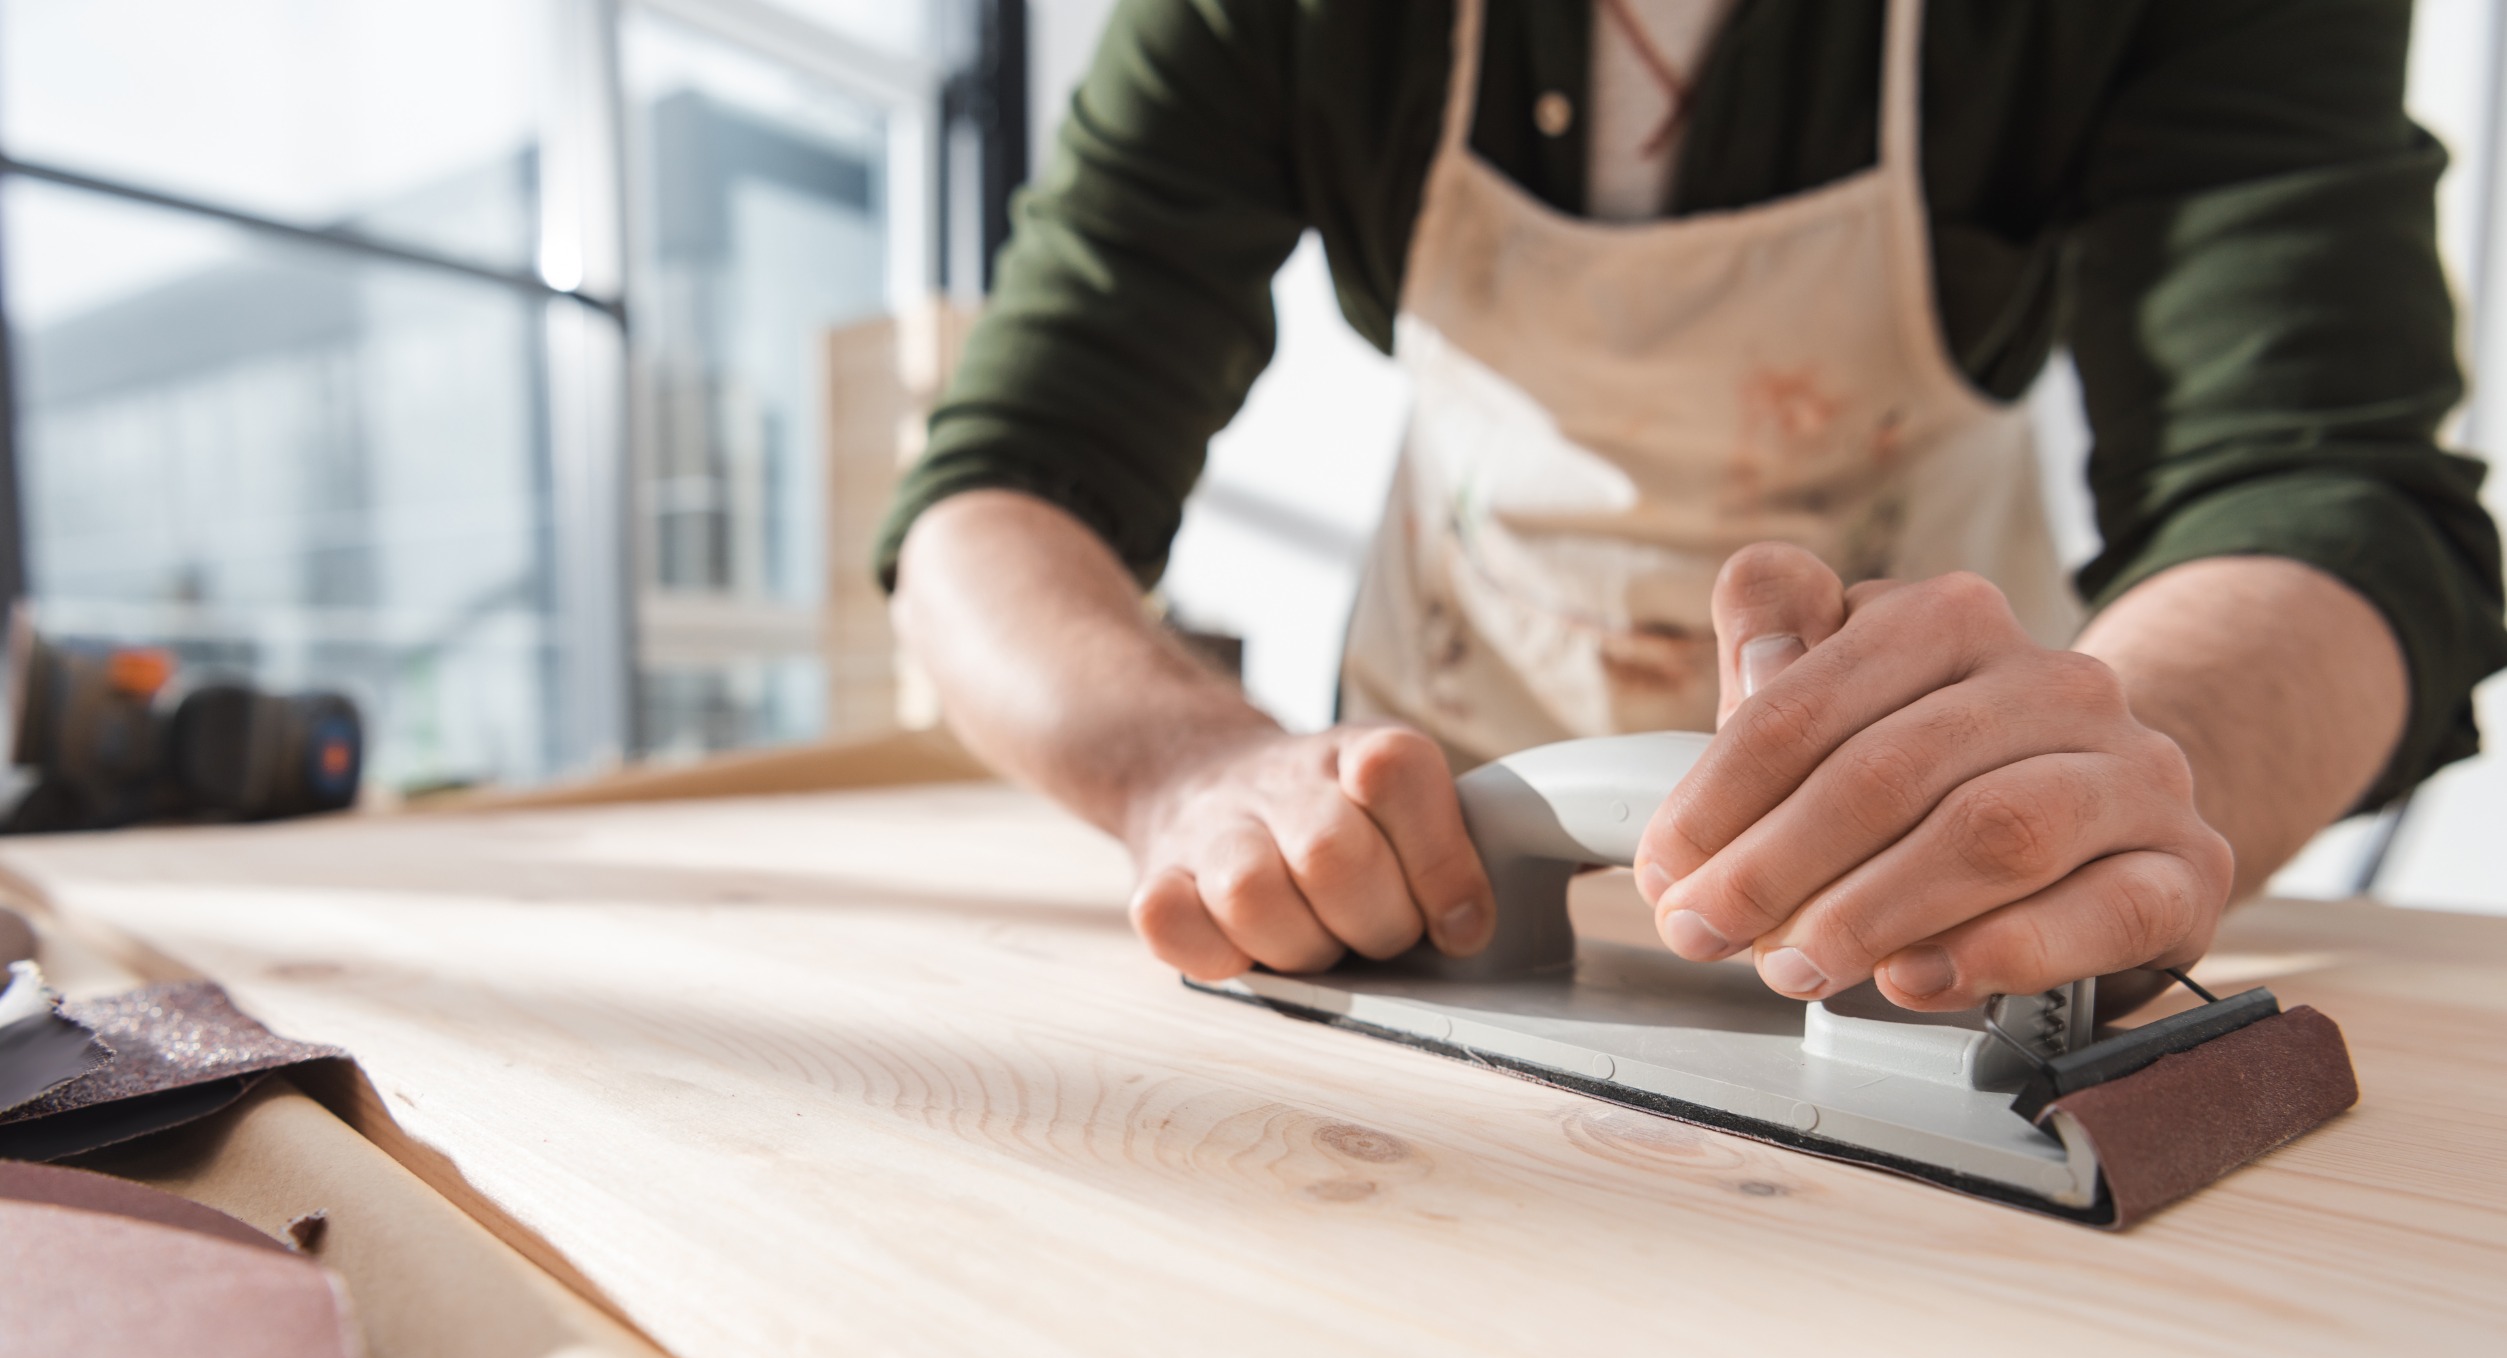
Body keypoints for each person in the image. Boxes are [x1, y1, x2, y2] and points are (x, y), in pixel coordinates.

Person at [880, 0, 2505, 1014]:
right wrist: (1185, 764)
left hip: (1938, 901)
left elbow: (2328, 484)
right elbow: (1001, 484)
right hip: (1436, 870)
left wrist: (2082, 787)